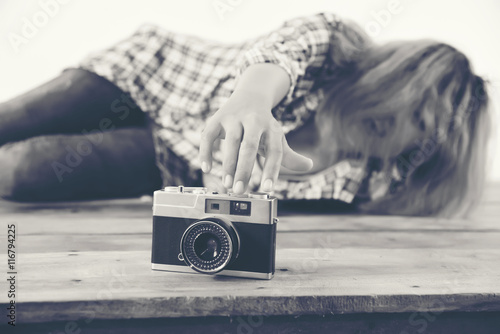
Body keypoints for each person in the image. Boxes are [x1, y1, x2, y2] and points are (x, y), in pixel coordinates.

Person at [0, 12, 490, 217]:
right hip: (152, 77)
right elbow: (286, 48)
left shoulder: (369, 184)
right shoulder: (339, 48)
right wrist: (252, 99)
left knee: (22, 172)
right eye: (399, 96)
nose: (398, 119)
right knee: (12, 118)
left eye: (421, 124)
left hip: (172, 159)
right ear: (383, 74)